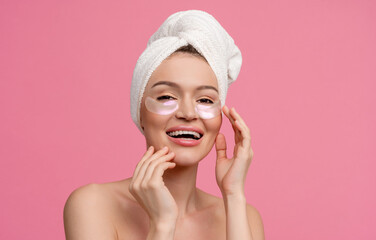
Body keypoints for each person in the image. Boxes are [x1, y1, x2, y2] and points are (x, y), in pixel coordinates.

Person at [64, 10, 264, 240]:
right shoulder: (93, 205)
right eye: (167, 97)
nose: (188, 113)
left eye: (205, 100)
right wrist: (162, 225)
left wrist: (233, 194)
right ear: (139, 112)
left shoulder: (244, 217)